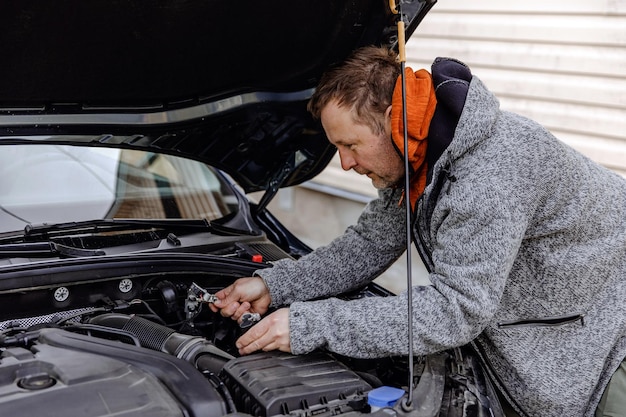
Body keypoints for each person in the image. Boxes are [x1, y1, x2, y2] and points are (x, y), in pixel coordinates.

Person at [210, 46, 626, 417]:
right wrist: (274, 286)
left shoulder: (490, 172)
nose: (344, 164)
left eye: (351, 145)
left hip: (608, 350)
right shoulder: (418, 156)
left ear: (394, 122)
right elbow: (366, 246)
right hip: (552, 337)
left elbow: (456, 311)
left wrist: (311, 324)